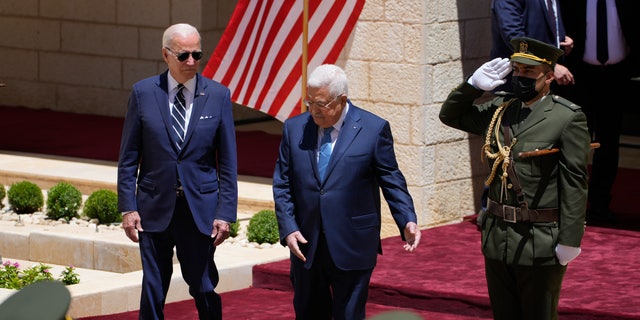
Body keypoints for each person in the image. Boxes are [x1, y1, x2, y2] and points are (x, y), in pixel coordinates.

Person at [439, 37, 590, 320]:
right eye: (517, 70)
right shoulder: (501, 110)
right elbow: (450, 115)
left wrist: (570, 238)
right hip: (498, 236)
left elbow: (575, 182)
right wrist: (471, 86)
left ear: (548, 77)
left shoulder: (567, 117)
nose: (520, 77)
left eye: (528, 72)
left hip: (540, 240)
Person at [272, 64, 421, 320]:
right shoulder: (294, 128)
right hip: (307, 244)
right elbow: (283, 183)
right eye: (309, 102)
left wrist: (407, 218)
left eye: (320, 104)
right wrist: (288, 227)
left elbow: (391, 178)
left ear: (341, 99)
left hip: (353, 242)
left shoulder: (373, 129)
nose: (313, 110)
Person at [117, 23, 238, 320]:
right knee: (153, 287)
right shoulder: (143, 93)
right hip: (153, 207)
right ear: (166, 54)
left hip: (200, 210)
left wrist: (225, 213)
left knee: (203, 285)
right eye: (184, 55)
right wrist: (128, 207)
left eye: (197, 55)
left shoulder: (218, 95)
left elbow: (228, 162)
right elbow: (129, 157)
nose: (192, 62)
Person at [558, 0, 640, 222]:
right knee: (577, 143)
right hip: (580, 77)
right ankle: (573, 206)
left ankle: (600, 205)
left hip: (617, 76)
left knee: (609, 143)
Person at [491, 0, 575, 91]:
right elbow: (515, 39)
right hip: (520, 82)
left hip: (550, 82)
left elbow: (547, 22)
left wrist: (560, 38)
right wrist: (550, 65)